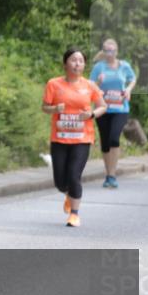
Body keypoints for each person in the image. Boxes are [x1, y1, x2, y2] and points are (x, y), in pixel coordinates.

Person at [41, 47, 107, 227]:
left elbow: (103, 106)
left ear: (84, 65)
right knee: (60, 182)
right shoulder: (54, 84)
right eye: (73, 60)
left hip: (82, 139)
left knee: (73, 175)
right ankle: (69, 195)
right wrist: (55, 109)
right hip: (59, 138)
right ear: (65, 64)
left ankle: (74, 214)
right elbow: (44, 107)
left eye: (80, 61)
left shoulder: (90, 86)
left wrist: (91, 114)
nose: (77, 64)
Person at [90, 39, 137, 188]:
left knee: (114, 138)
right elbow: (90, 85)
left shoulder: (124, 66)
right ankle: (108, 174)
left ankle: (112, 175)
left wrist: (128, 89)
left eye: (112, 51)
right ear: (103, 52)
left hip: (120, 109)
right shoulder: (99, 67)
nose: (109, 53)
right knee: (105, 142)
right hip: (102, 109)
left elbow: (133, 79)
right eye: (106, 51)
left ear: (116, 51)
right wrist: (98, 83)